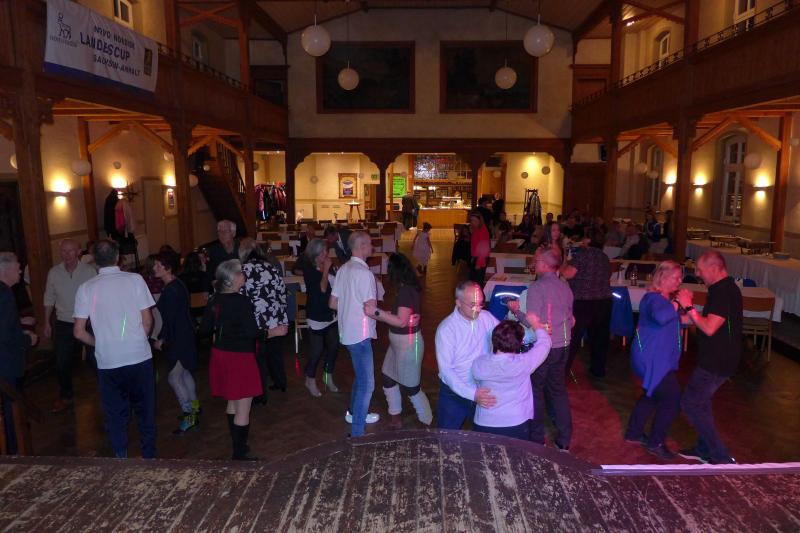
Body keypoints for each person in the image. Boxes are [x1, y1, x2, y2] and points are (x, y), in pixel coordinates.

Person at [73, 240, 157, 459]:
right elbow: (148, 320)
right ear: (118, 256)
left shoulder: (86, 288)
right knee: (145, 410)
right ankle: (149, 457)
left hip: (108, 360)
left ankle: (121, 457)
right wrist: (138, 339)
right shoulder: (135, 280)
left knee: (114, 413)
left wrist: (100, 343)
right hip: (138, 356)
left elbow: (79, 332)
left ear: (93, 260)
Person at [676, 251, 742, 465]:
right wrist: (680, 316)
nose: (697, 274)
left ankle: (721, 456)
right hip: (720, 358)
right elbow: (709, 321)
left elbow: (710, 328)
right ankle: (703, 448)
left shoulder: (723, 292)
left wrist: (688, 306)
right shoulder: (722, 289)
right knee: (701, 402)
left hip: (717, 360)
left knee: (690, 403)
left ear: (714, 268)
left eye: (700, 270)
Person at [508, 248, 574, 450]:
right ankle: (564, 439)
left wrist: (516, 311)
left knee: (535, 391)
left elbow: (532, 321)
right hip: (564, 345)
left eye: (536, 261)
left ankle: (536, 440)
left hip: (545, 347)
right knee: (558, 391)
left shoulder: (537, 287)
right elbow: (571, 319)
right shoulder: (565, 287)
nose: (534, 264)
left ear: (545, 265)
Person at [198, 259, 261, 460]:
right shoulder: (241, 302)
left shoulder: (214, 299)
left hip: (220, 355)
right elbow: (252, 332)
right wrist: (272, 332)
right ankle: (240, 453)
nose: (244, 275)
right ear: (232, 278)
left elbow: (204, 330)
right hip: (239, 357)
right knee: (243, 408)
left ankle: (238, 447)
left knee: (233, 403)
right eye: (241, 272)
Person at [624, 261, 685, 460]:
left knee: (652, 395)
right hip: (652, 359)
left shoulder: (665, 299)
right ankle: (655, 442)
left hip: (658, 357)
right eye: (676, 277)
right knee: (672, 399)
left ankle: (633, 433)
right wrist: (678, 303)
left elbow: (674, 320)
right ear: (663, 278)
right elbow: (661, 317)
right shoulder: (653, 299)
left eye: (680, 277)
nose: (680, 281)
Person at [365, 253, 432, 429]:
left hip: (407, 345)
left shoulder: (405, 291)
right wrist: (379, 314)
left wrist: (376, 312)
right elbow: (399, 317)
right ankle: (395, 416)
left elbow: (401, 321)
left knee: (412, 387)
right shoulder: (406, 288)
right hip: (399, 344)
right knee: (388, 377)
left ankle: (427, 421)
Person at [330, 231, 381, 436]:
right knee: (367, 384)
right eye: (369, 244)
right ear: (361, 247)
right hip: (360, 335)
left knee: (361, 376)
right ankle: (358, 433)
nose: (372, 247)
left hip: (346, 333)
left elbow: (333, 303)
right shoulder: (365, 274)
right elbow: (371, 309)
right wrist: (394, 318)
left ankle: (353, 413)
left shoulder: (343, 269)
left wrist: (349, 308)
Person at [472, 318, 551, 440]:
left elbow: (477, 384)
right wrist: (537, 326)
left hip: (484, 422)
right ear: (519, 343)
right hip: (515, 423)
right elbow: (545, 344)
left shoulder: (479, 363)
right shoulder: (523, 363)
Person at [435, 280, 499, 429]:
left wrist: (533, 332)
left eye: (481, 303)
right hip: (454, 392)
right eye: (473, 304)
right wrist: (472, 394)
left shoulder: (487, 317)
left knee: (484, 434)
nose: (478, 309)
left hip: (482, 386)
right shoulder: (447, 329)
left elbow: (506, 335)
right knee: (447, 436)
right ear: (458, 302)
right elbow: (446, 371)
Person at [43, 238, 97, 413]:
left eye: (70, 251)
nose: (66, 255)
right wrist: (46, 322)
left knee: (95, 359)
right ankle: (66, 396)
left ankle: (107, 389)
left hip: (87, 322)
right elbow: (49, 298)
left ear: (79, 252)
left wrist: (94, 318)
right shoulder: (54, 273)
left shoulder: (89, 271)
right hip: (64, 322)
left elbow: (96, 297)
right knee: (61, 362)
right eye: (63, 251)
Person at [153, 251, 200, 434]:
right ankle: (195, 408)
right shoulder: (176, 284)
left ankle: (190, 416)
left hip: (179, 338)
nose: (154, 268)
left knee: (174, 378)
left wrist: (162, 340)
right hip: (184, 335)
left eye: (158, 265)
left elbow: (170, 320)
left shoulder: (171, 289)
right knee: (184, 373)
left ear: (168, 268)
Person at [238, 239, 289, 399]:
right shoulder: (270, 267)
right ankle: (280, 382)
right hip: (275, 317)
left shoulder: (243, 270)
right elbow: (282, 291)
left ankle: (260, 394)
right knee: (275, 352)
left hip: (257, 319)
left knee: (258, 357)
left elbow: (241, 297)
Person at [0, 252, 38, 454]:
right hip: (5, 363)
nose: (21, 270)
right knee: (10, 408)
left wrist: (19, 323)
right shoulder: (5, 294)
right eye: (17, 267)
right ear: (5, 270)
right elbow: (5, 335)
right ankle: (14, 451)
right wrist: (27, 339)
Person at [567, 228, 612, 378]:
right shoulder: (604, 257)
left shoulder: (583, 255)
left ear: (588, 240)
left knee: (573, 338)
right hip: (604, 301)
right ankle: (598, 370)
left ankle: (563, 370)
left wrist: (561, 265)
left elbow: (568, 274)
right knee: (600, 339)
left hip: (583, 301)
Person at [302, 239, 339, 397]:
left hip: (331, 314)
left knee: (334, 347)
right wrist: (326, 271)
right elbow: (322, 289)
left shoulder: (330, 267)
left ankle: (327, 376)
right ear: (315, 254)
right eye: (323, 251)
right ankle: (310, 379)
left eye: (326, 250)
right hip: (316, 315)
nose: (326, 253)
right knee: (317, 350)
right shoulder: (309, 270)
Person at [205, 220, 240, 290]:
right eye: (219, 232)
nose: (222, 234)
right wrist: (207, 288)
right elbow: (209, 273)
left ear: (233, 233)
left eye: (225, 231)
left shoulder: (241, 249)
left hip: (239, 286)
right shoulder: (214, 250)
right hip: (221, 288)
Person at [468, 211, 490, 286]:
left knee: (477, 282)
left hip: (481, 258)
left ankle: (479, 294)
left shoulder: (483, 230)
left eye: (475, 220)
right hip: (477, 257)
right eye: (471, 220)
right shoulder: (476, 229)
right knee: (474, 281)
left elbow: (483, 248)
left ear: (480, 221)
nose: (472, 222)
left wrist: (478, 263)